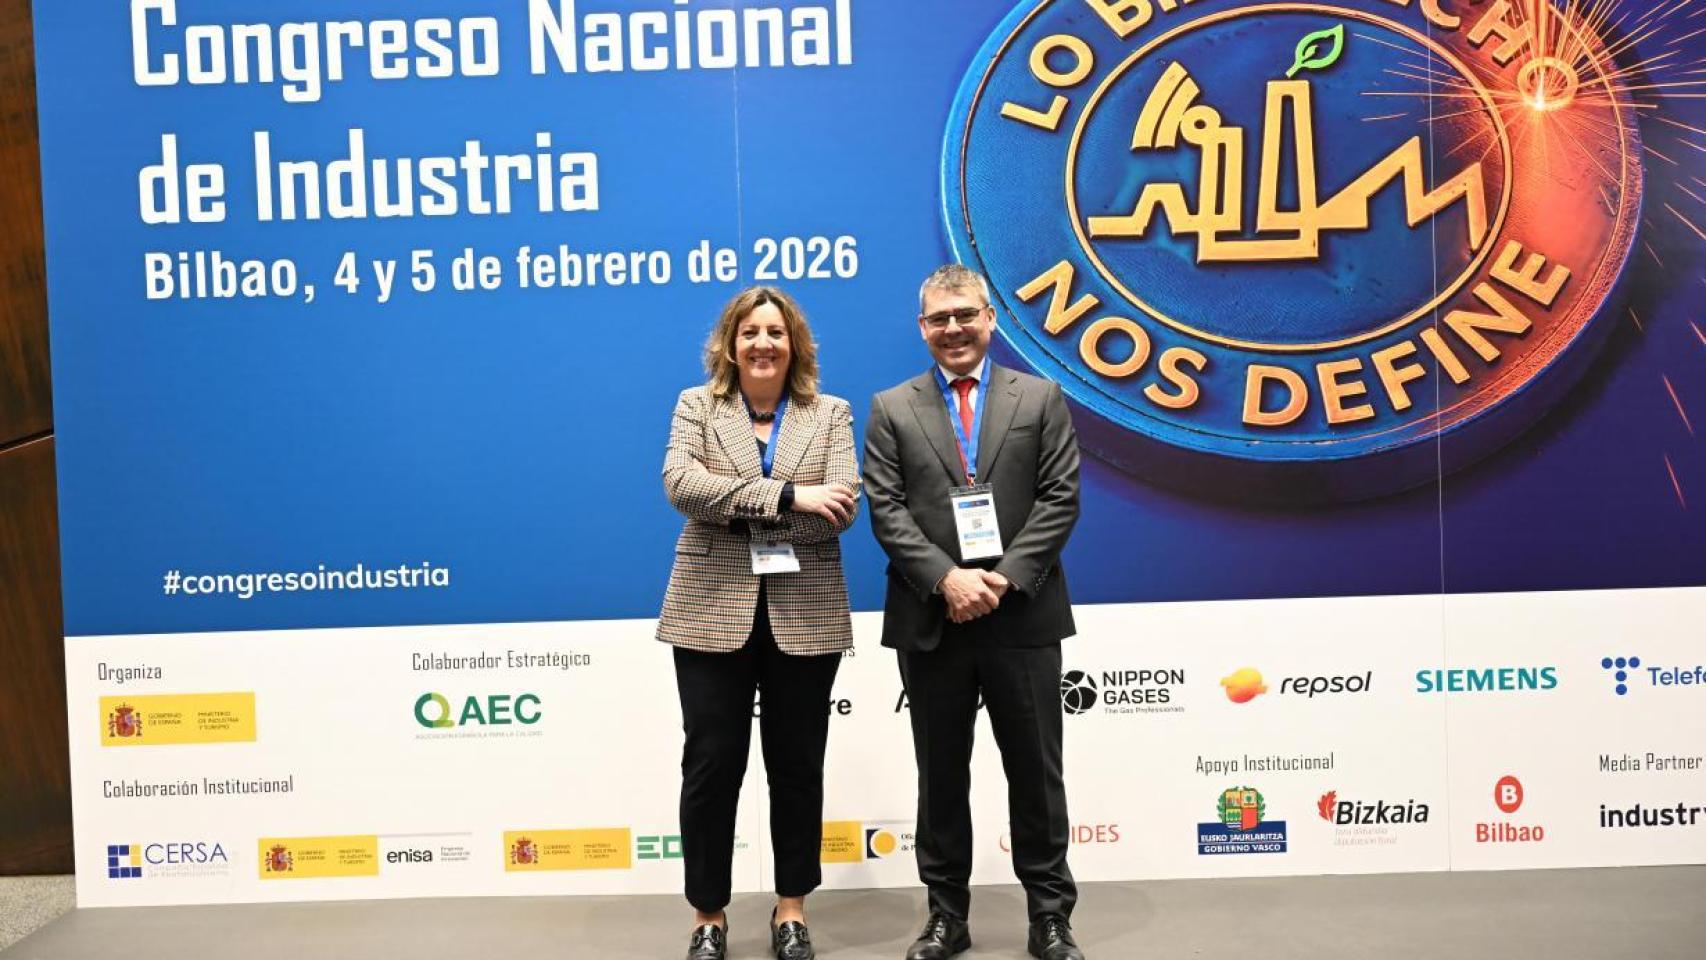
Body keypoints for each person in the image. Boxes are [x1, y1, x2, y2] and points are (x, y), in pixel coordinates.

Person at [864, 265, 1087, 960]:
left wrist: (1002, 580)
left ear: (990, 319)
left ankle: (1050, 916)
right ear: (922, 328)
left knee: (1036, 775)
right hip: (934, 623)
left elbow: (1060, 498)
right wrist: (948, 581)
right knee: (940, 775)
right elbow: (887, 509)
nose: (954, 329)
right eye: (939, 319)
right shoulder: (891, 408)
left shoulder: (1042, 397)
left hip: (1022, 617)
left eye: (965, 315)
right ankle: (945, 916)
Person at [658, 285, 861, 960]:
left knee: (798, 766)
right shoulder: (698, 405)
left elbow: (843, 505)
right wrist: (790, 494)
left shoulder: (829, 413)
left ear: (794, 343)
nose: (764, 343)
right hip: (710, 607)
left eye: (776, 332)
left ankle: (791, 909)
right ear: (730, 343)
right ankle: (708, 916)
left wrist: (738, 503)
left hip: (805, 612)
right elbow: (682, 486)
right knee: (712, 767)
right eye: (750, 333)